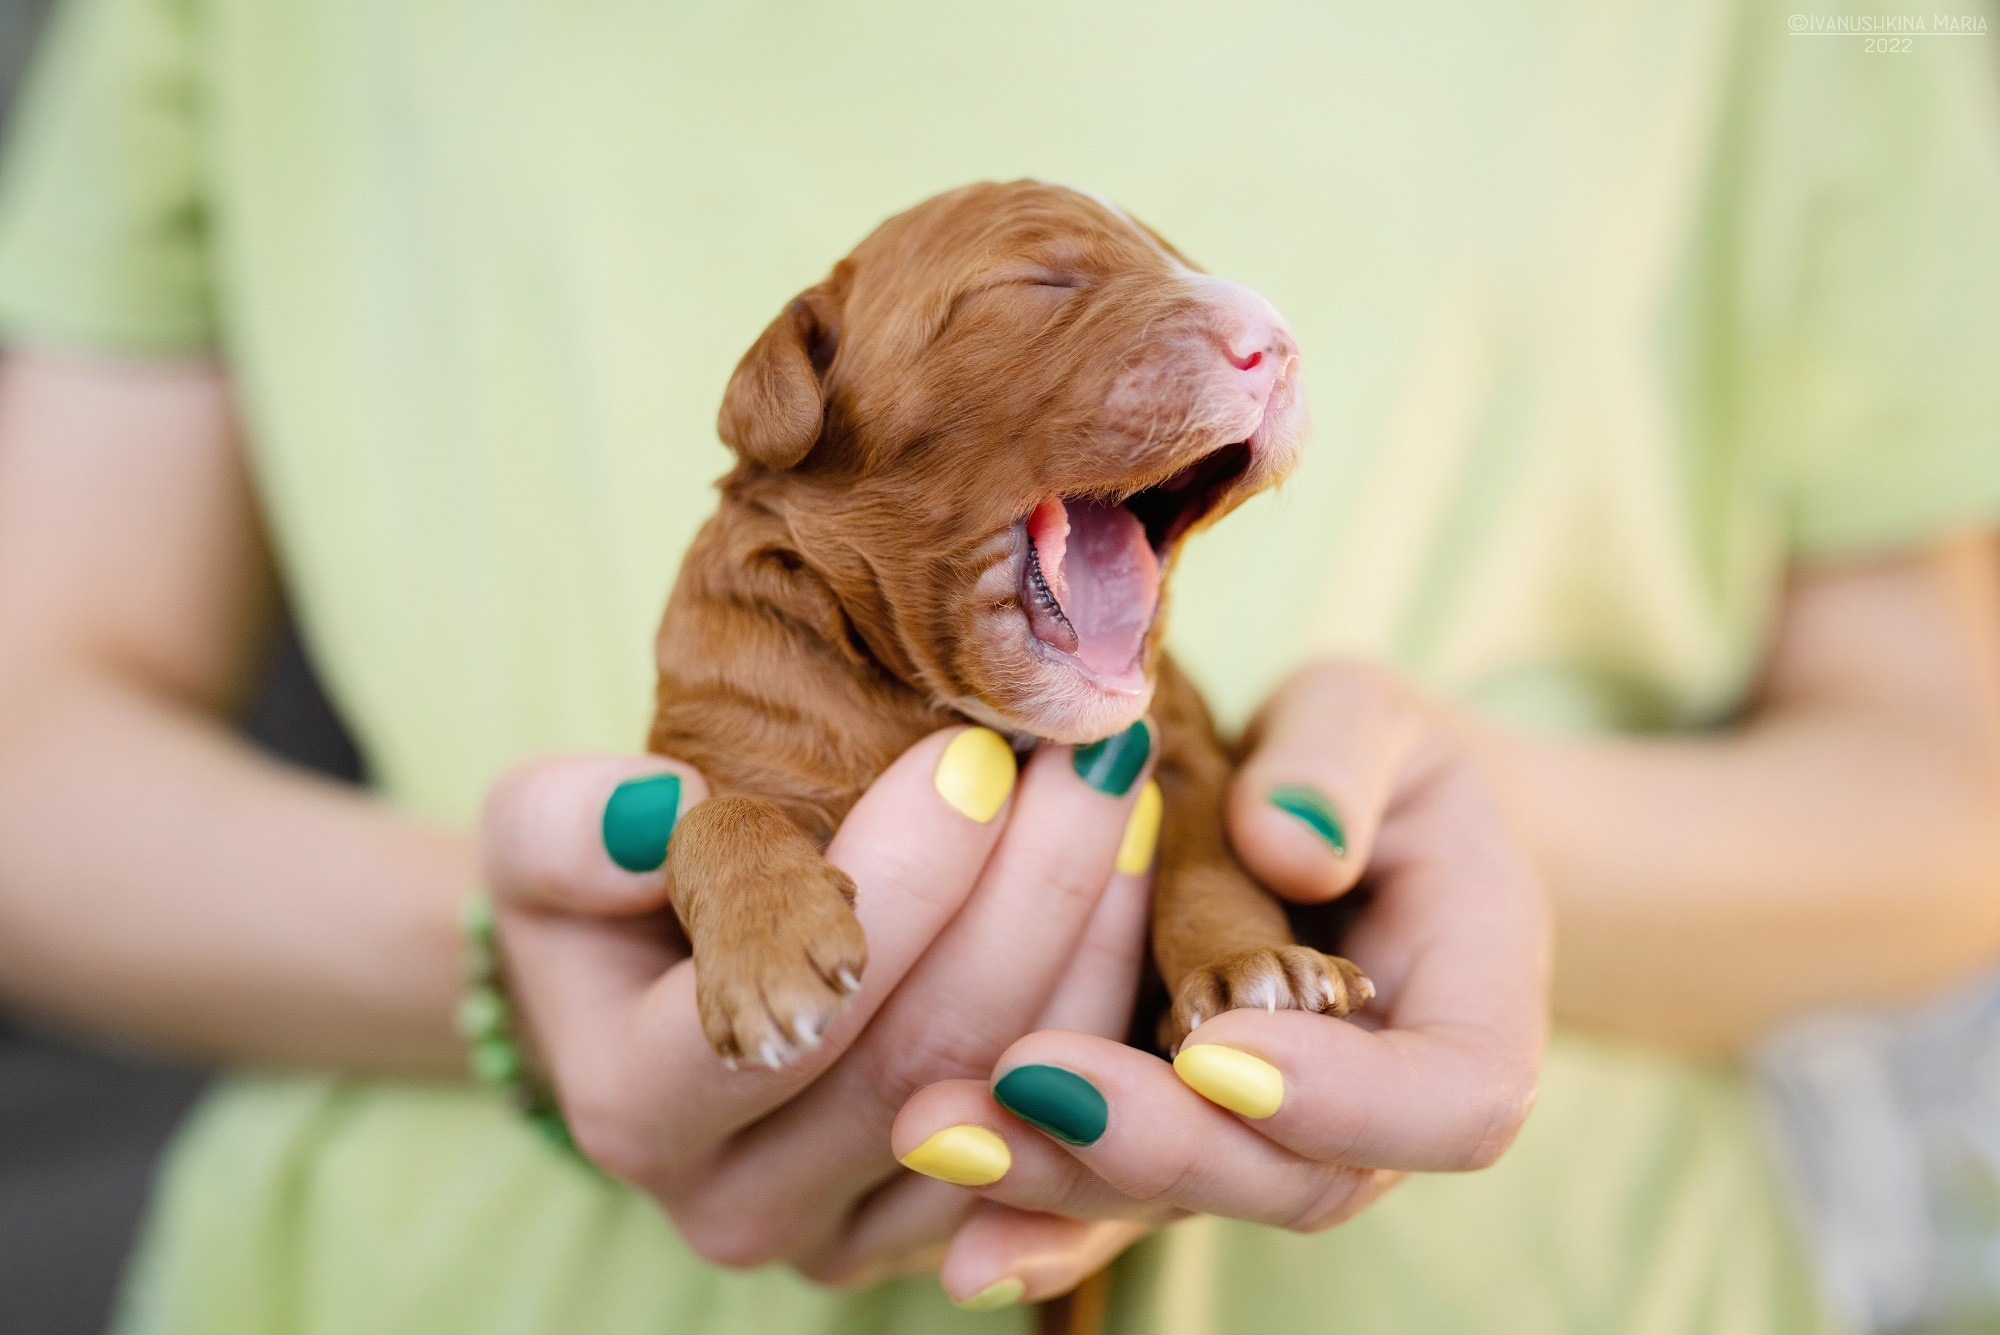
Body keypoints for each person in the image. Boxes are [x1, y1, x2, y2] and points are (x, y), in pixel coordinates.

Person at [0, 0, 1996, 1331]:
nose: (1247, 337)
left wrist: (1371, 869)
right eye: (1049, 288)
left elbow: (1947, 785)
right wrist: (538, 957)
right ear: (797, 387)